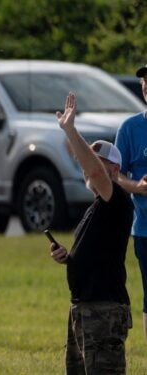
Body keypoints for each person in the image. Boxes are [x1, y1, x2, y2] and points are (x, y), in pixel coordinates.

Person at [50, 92, 132, 374]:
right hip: (83, 307)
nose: (89, 168)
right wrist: (67, 257)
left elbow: (97, 174)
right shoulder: (95, 208)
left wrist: (70, 130)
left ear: (115, 169)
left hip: (103, 310)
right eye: (89, 161)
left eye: (98, 163)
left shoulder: (117, 199)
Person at [115, 64, 147, 344]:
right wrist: (137, 186)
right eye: (145, 81)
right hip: (145, 229)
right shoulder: (130, 128)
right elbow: (115, 175)